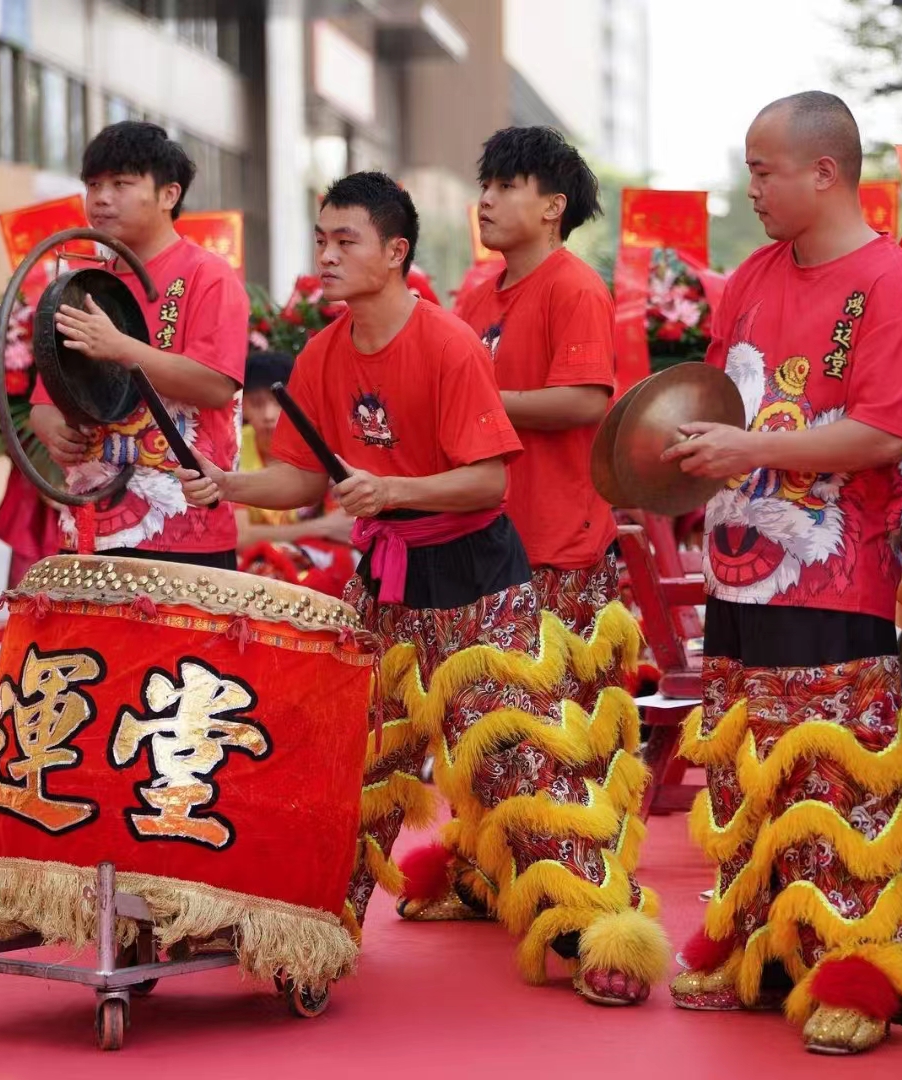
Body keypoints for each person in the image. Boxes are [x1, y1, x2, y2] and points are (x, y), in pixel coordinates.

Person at [178, 171, 666, 1006]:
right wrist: (228, 486)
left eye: (346, 241)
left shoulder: (446, 344)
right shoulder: (324, 355)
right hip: (388, 581)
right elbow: (300, 480)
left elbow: (485, 485)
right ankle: (314, 930)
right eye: (321, 239)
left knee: (524, 760)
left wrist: (394, 490)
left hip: (479, 577)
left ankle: (596, 929)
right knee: (358, 761)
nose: (326, 256)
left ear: (395, 252)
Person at [657, 91, 902, 1054]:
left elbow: (886, 432)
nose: (753, 187)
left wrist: (745, 452)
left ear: (826, 172)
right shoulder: (752, 276)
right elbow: (714, 397)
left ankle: (860, 968)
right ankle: (765, 951)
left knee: (831, 773)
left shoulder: (890, 282)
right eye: (749, 167)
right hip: (739, 568)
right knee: (744, 766)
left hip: (838, 574)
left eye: (765, 169)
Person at [29, 120, 248, 567]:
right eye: (93, 185)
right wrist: (49, 427)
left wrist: (122, 348)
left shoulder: (209, 276)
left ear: (169, 195)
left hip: (187, 533)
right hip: (91, 529)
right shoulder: (83, 284)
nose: (102, 197)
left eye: (121, 184)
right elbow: (46, 397)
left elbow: (216, 386)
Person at [453, 125, 617, 633]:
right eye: (485, 186)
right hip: (485, 538)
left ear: (553, 207)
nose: (485, 201)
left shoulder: (574, 287)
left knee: (558, 708)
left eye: (505, 187)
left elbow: (585, 401)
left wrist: (479, 402)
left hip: (559, 547)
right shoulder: (476, 297)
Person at [236, 350, 356, 595]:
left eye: (279, 402)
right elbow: (239, 538)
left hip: (316, 557)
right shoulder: (234, 449)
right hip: (254, 561)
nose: (269, 416)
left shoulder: (320, 446)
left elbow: (345, 528)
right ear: (242, 405)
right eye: (258, 404)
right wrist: (320, 527)